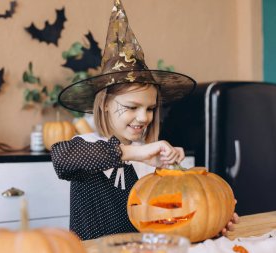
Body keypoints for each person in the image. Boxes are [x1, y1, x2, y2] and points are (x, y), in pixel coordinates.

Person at [51, 0, 237, 241]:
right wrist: (137, 154)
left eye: (150, 109)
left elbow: (174, 221)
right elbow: (62, 157)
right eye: (131, 107)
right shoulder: (86, 145)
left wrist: (212, 218)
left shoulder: (150, 163)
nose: (144, 117)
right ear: (106, 105)